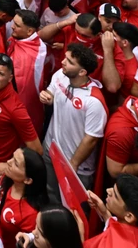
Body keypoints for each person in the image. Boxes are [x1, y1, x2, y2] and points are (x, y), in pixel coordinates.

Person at [41, 43, 108, 187]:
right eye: (65, 58)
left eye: (70, 62)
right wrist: (46, 97)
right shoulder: (61, 74)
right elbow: (52, 93)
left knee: (71, 207)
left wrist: (73, 164)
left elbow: (91, 138)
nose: (63, 62)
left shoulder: (94, 101)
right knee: (49, 192)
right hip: (50, 150)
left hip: (74, 164)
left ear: (82, 72)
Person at [82, 174, 138, 248]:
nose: (108, 191)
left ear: (129, 216)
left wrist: (79, 234)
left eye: (115, 195)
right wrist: (105, 213)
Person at [0, 146, 50, 248]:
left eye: (16, 163)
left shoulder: (30, 214)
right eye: (12, 157)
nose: (9, 162)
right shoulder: (6, 178)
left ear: (27, 180)